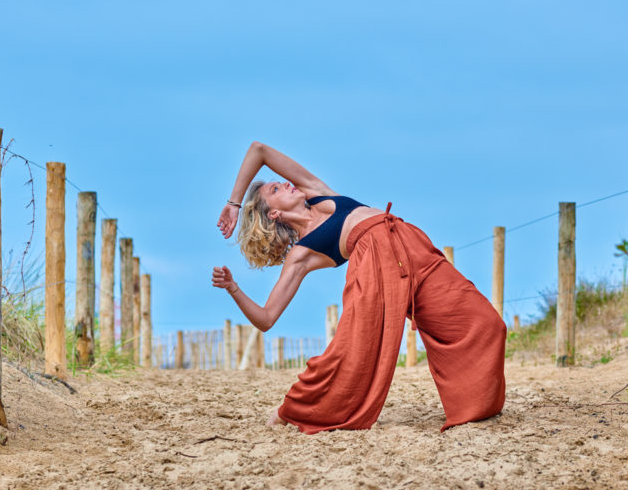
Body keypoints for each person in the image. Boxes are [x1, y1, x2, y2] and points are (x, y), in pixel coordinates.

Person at [213, 141, 506, 434]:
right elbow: (266, 318)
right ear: (273, 214)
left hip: (413, 249)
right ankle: (292, 410)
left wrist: (233, 202)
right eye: (275, 190)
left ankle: (476, 407)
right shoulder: (301, 254)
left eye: (281, 183)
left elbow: (259, 151)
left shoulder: (318, 193)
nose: (286, 184)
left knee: (486, 323)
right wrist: (233, 288)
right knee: (352, 350)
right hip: (376, 265)